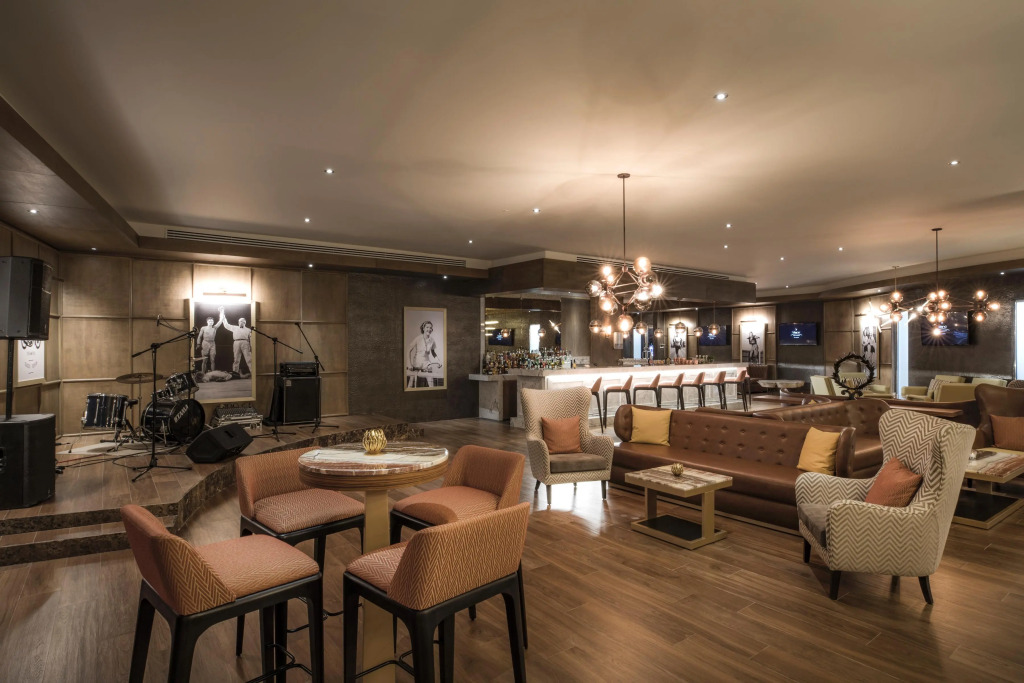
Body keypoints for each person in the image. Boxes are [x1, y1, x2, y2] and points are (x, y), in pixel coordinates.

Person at [219, 309, 253, 378]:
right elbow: (226, 325)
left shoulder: (248, 330)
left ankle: (253, 373)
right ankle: (235, 373)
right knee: (236, 359)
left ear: (245, 322)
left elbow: (251, 339)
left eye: (242, 321)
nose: (241, 322)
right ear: (238, 322)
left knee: (249, 359)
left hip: (245, 343)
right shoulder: (235, 328)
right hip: (236, 343)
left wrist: (251, 347)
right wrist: (222, 313)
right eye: (240, 321)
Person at [407, 320, 442, 387]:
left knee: (431, 384)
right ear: (423, 328)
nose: (429, 329)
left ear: (432, 330)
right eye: (427, 327)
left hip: (427, 363)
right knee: (411, 383)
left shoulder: (432, 340)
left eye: (430, 328)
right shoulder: (418, 338)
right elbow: (409, 350)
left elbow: (433, 352)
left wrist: (438, 361)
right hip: (417, 363)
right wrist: (409, 364)